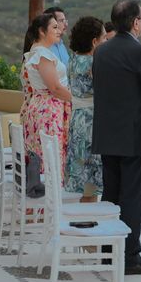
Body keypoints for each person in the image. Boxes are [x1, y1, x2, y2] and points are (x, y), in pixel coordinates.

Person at [92, 0, 141, 275]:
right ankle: (130, 256)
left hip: (107, 135)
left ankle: (108, 251)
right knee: (132, 199)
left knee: (111, 195)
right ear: (135, 22)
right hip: (134, 136)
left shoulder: (102, 52)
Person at [22, 14, 72, 178]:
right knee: (49, 158)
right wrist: (77, 100)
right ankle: (47, 200)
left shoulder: (37, 51)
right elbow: (55, 88)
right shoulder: (43, 54)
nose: (59, 30)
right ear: (42, 31)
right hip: (49, 110)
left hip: (43, 106)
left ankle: (44, 199)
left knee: (42, 155)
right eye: (54, 27)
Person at [65, 16, 107, 202]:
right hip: (91, 120)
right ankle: (87, 219)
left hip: (77, 118)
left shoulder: (73, 60)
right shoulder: (93, 63)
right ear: (94, 41)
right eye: (104, 38)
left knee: (84, 177)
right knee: (92, 180)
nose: (106, 41)